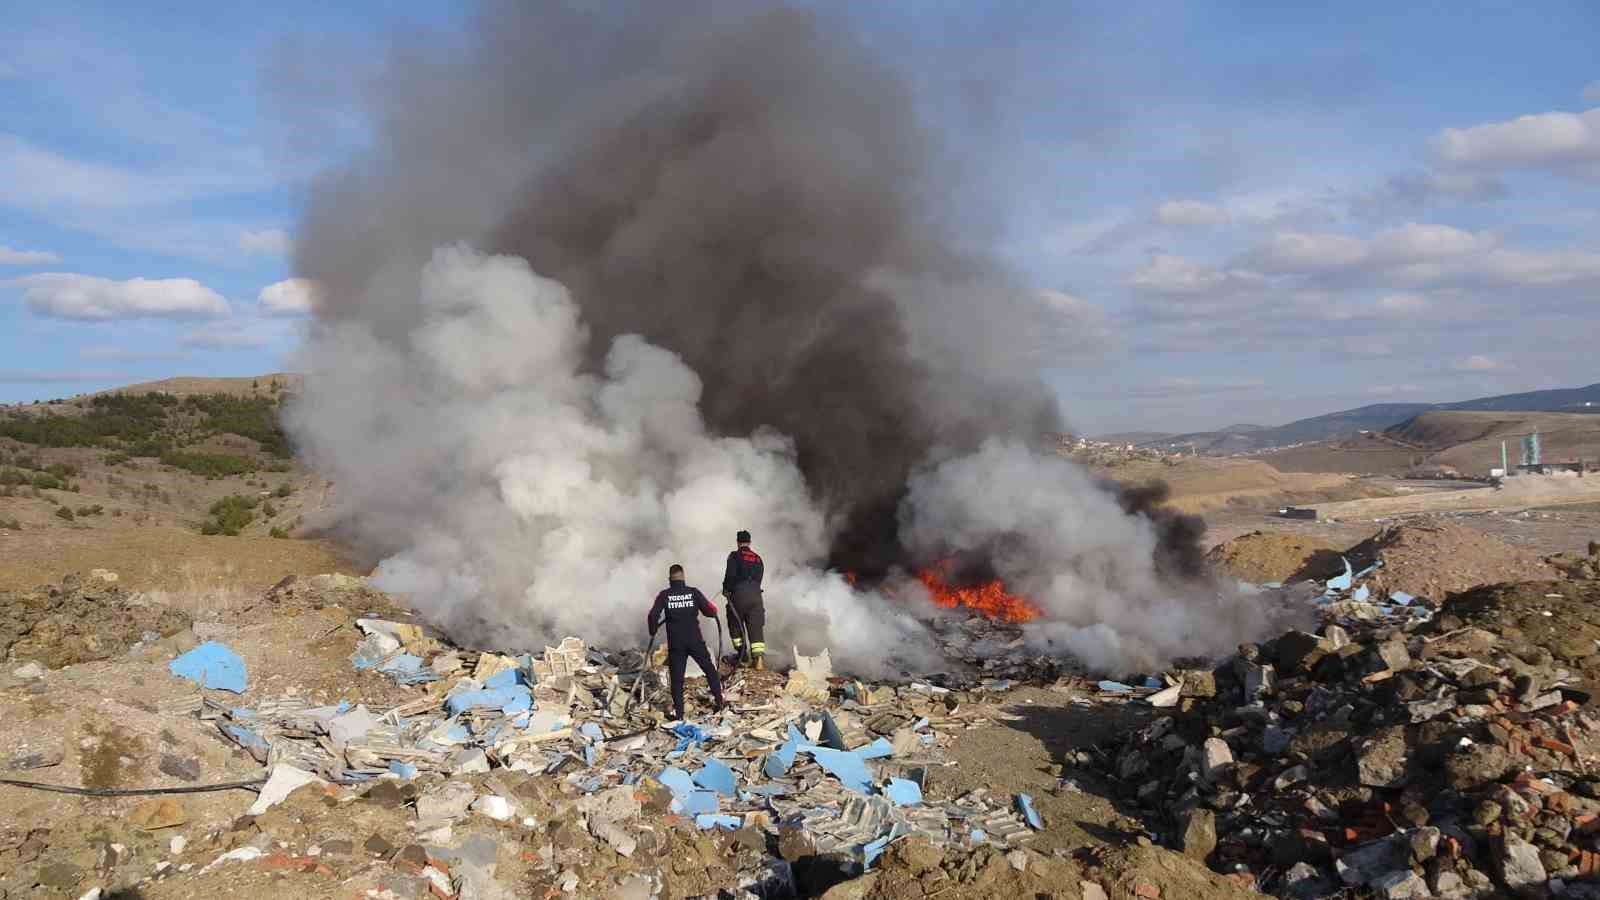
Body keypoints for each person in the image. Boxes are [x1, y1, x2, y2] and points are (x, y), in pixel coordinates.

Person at [647, 563, 725, 721]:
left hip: (676, 644)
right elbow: (710, 610)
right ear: (683, 577)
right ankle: (719, 701)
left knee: (677, 679)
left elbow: (652, 616)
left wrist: (653, 629)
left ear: (670, 579)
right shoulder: (693, 592)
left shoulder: (664, 595)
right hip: (695, 640)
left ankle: (680, 715)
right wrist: (713, 611)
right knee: (709, 669)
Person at [722, 530, 766, 669]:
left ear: (737, 542)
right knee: (755, 627)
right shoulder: (758, 558)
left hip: (739, 594)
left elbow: (730, 575)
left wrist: (726, 590)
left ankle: (742, 656)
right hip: (756, 595)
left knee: (735, 623)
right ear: (750, 542)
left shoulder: (734, 556)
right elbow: (759, 578)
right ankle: (758, 659)